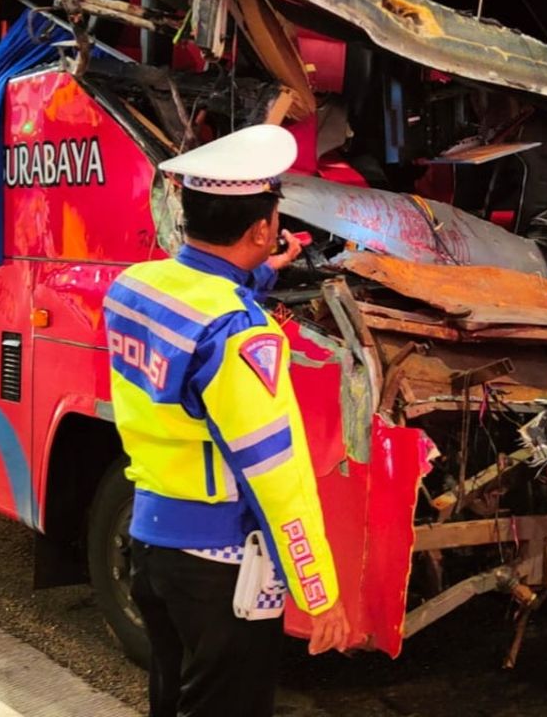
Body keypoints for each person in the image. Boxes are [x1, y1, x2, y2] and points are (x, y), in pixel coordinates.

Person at [103, 124, 350, 717]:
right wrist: (318, 592)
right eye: (272, 224)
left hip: (151, 544)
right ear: (262, 227)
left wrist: (261, 272)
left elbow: (199, 287)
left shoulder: (134, 287)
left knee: (173, 696)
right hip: (220, 566)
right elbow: (273, 473)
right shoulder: (240, 335)